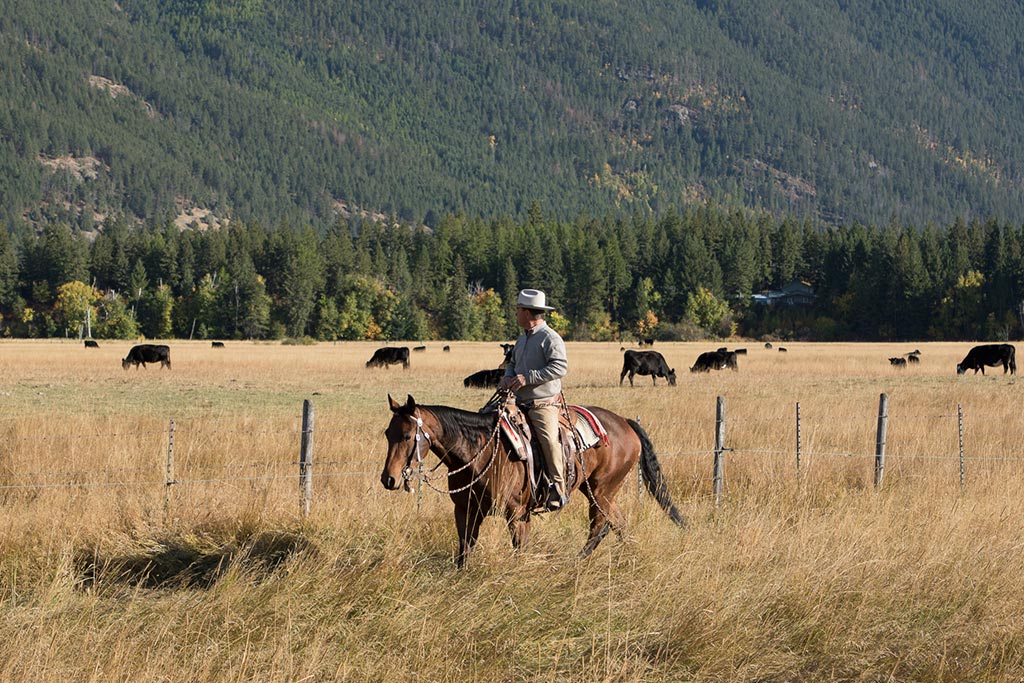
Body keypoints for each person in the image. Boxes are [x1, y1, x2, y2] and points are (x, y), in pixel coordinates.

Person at [499, 289, 569, 510]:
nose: (516, 313)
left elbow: (560, 367)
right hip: (517, 402)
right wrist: (508, 377)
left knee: (549, 440)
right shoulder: (522, 339)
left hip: (542, 404)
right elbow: (512, 363)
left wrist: (528, 377)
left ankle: (559, 489)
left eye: (519, 309)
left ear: (528, 312)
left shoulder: (550, 337)